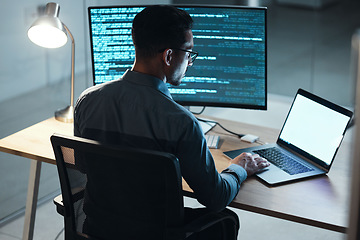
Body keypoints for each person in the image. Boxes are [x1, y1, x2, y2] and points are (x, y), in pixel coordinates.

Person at [74, 5, 269, 239]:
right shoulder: (181, 122)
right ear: (168, 56)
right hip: (155, 234)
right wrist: (239, 167)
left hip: (98, 229)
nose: (190, 62)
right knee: (226, 219)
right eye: (188, 53)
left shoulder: (87, 101)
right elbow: (215, 198)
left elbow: (84, 165)